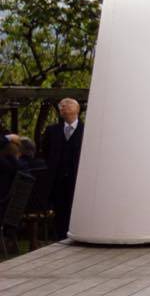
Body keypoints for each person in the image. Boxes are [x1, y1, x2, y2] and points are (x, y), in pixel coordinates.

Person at [40, 98, 84, 239]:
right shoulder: (52, 130)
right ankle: (60, 236)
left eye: (67, 108)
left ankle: (77, 233)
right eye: (62, 108)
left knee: (75, 208)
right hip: (57, 178)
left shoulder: (87, 130)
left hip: (78, 179)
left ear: (75, 111)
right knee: (60, 209)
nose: (64, 110)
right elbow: (45, 152)